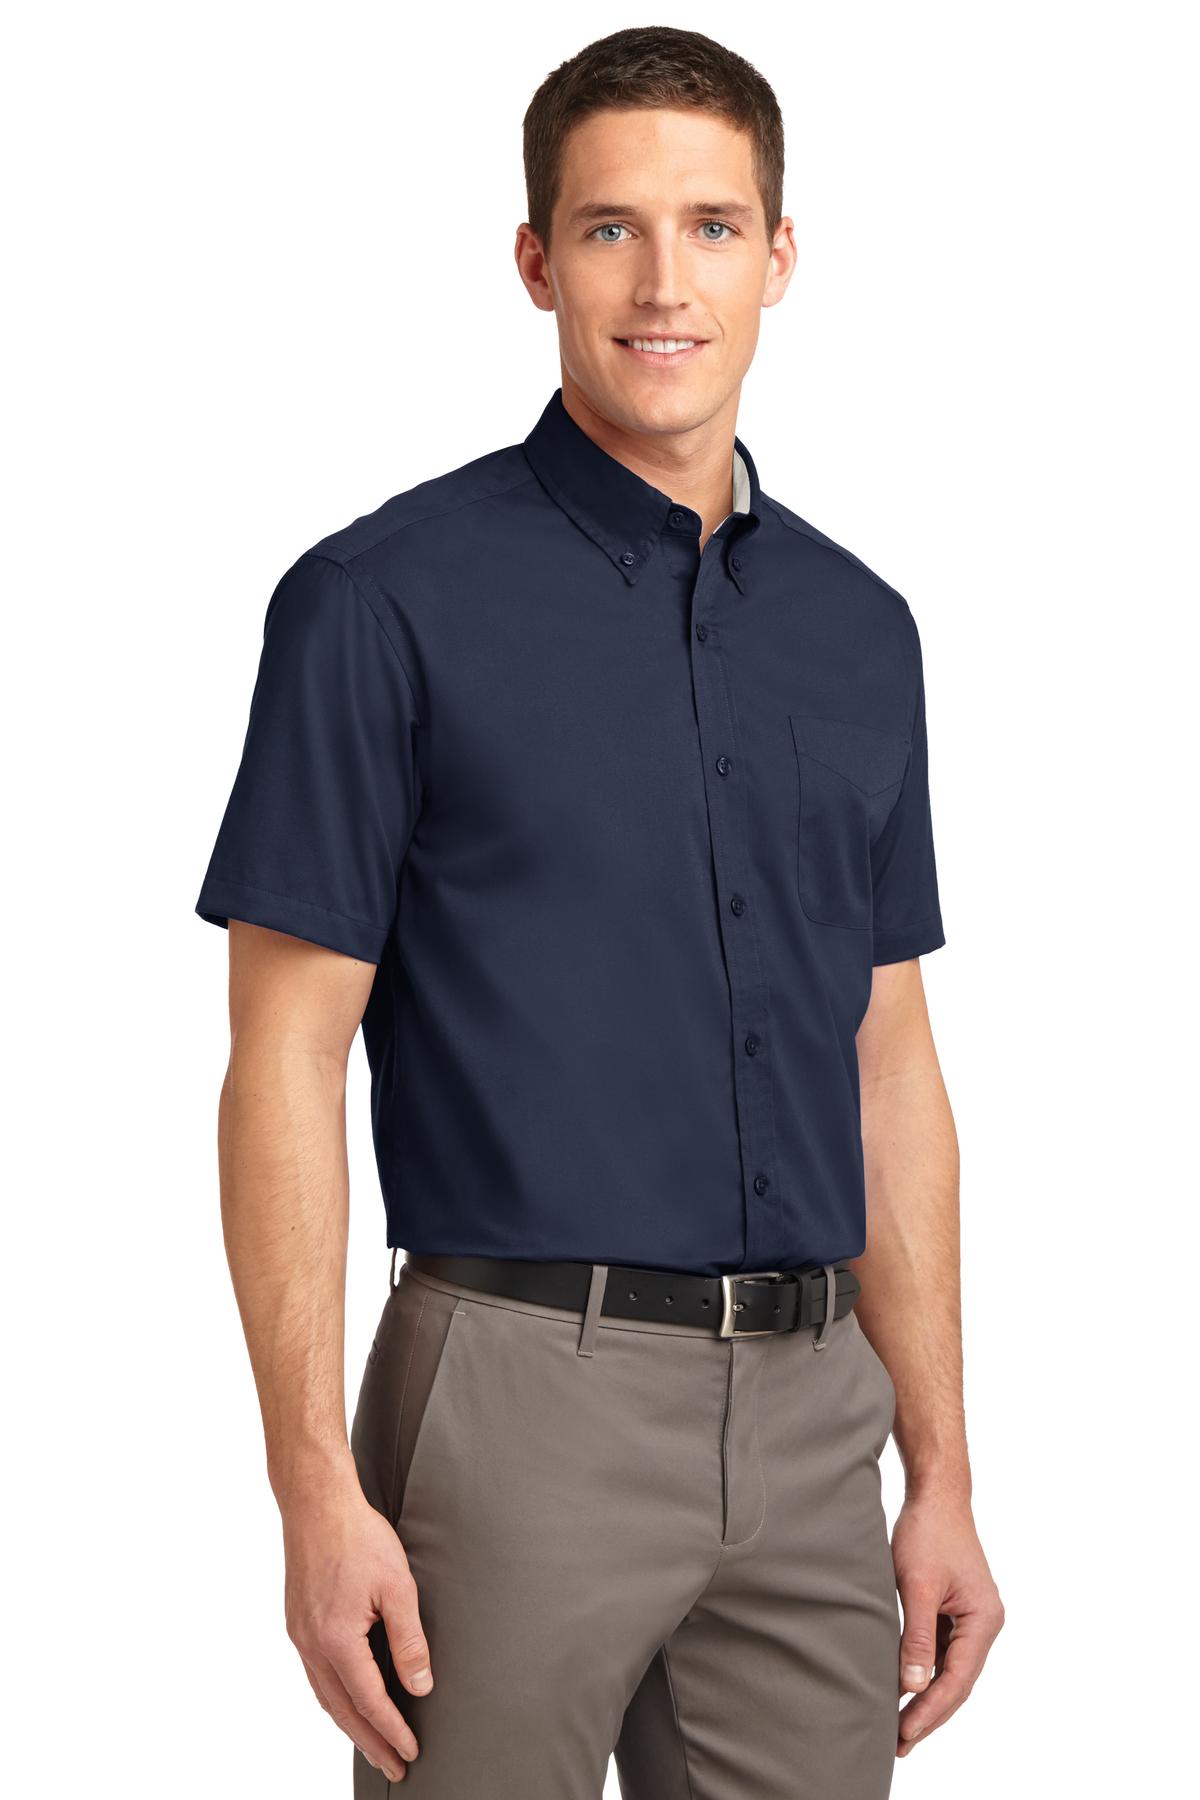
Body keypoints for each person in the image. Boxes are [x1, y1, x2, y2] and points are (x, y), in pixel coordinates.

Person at [195, 24, 1003, 1797]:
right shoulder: (378, 604)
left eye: (713, 226)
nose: (663, 283)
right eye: (611, 227)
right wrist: (313, 1489)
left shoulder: (861, 633)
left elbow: (888, 1061)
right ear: (535, 260)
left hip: (818, 1419)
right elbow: (285, 1057)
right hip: (513, 1403)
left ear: (780, 257)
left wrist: (940, 1468)